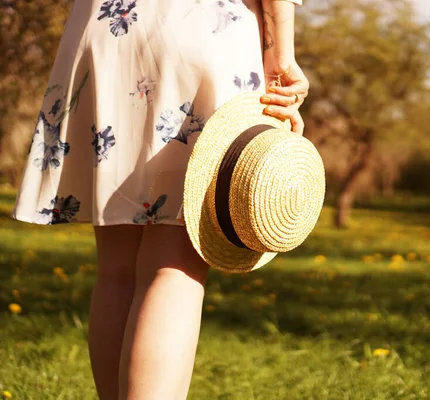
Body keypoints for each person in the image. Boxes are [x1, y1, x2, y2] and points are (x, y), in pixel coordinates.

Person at [10, 0, 309, 398]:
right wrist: (279, 55)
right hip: (201, 28)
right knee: (174, 265)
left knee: (116, 269)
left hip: (106, 32)